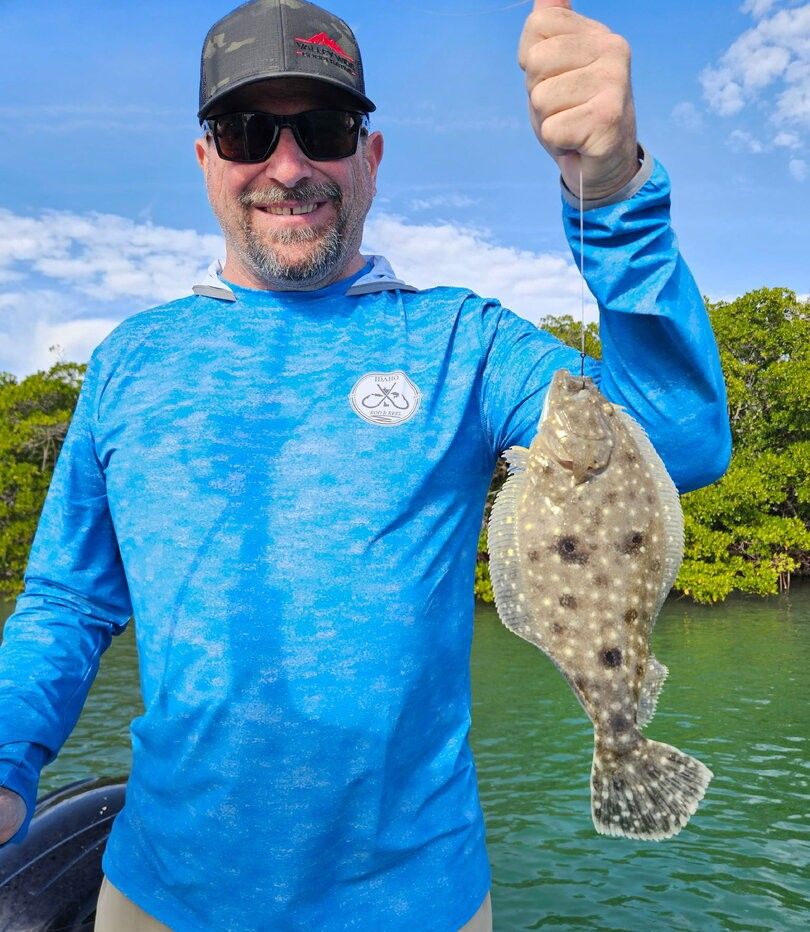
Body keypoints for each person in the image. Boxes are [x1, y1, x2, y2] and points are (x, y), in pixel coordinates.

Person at [0, 0, 731, 929]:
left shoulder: (460, 340)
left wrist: (616, 187)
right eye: (246, 130)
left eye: (325, 128)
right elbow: (70, 600)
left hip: (419, 901)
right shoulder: (128, 363)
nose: (289, 164)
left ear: (370, 157)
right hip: (159, 893)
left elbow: (680, 444)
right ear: (205, 161)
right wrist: (7, 756)